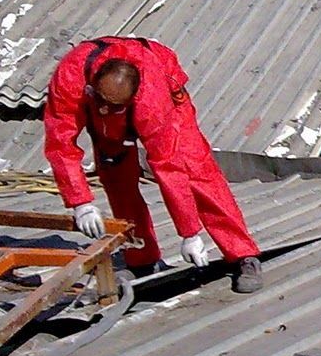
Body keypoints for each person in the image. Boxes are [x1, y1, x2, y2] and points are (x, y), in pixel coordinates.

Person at [42, 37, 263, 293]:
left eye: (111, 106)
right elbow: (60, 143)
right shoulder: (71, 77)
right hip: (103, 101)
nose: (103, 110)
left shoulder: (151, 101)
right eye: (100, 100)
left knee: (196, 170)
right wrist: (80, 202)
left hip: (165, 97)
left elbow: (167, 167)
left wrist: (189, 233)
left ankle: (242, 255)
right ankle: (142, 260)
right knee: (116, 179)